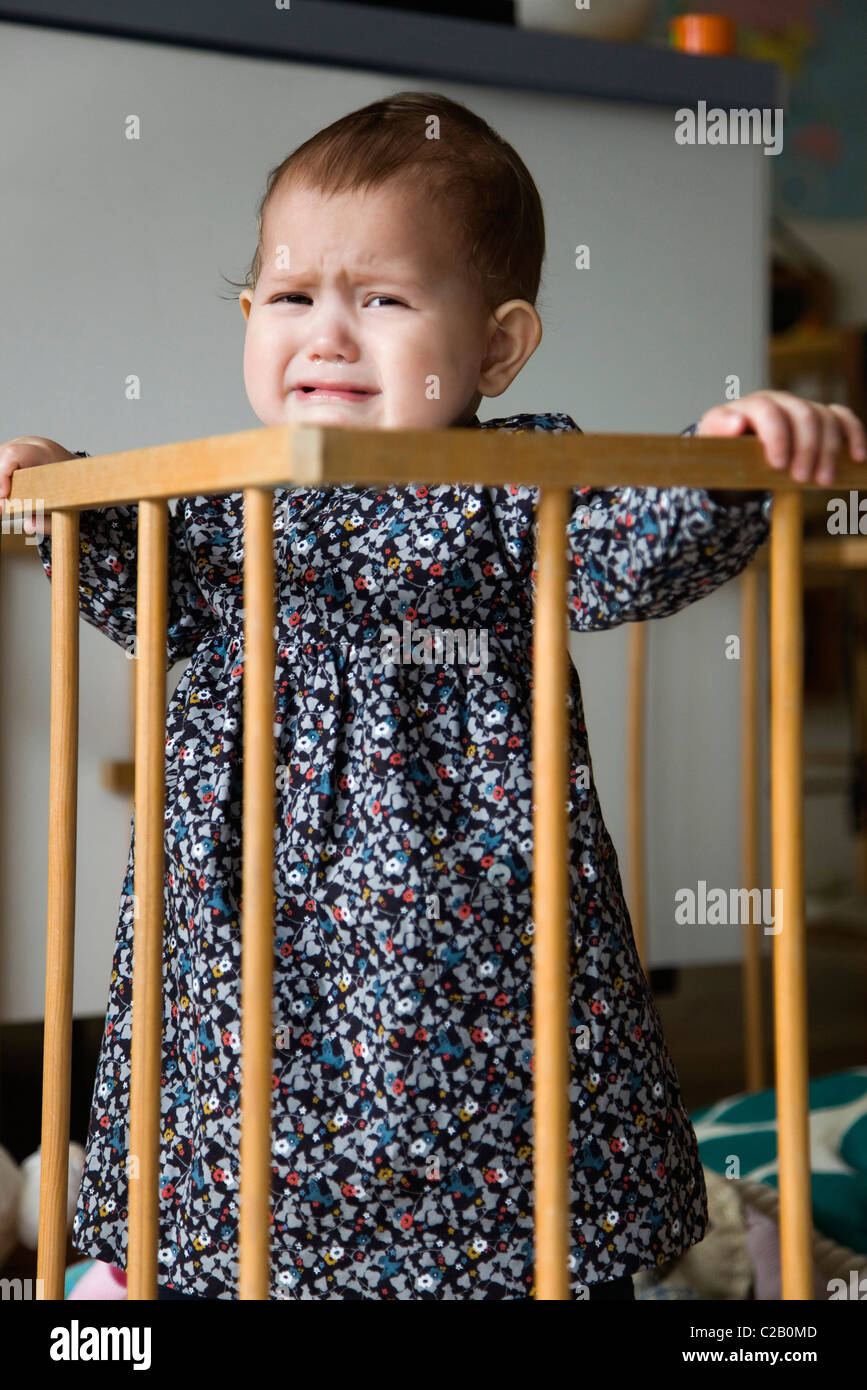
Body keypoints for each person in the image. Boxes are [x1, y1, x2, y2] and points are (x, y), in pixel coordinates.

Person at [1, 91, 863, 1302]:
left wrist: (729, 453)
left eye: (384, 298)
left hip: (475, 913)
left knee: (512, 1123)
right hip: (244, 917)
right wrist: (52, 485)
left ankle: (524, 1272)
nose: (328, 334)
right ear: (251, 318)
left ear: (497, 349)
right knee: (231, 1111)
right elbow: (131, 581)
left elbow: (637, 543)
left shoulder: (514, 485)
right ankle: (188, 1274)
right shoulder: (217, 496)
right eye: (292, 298)